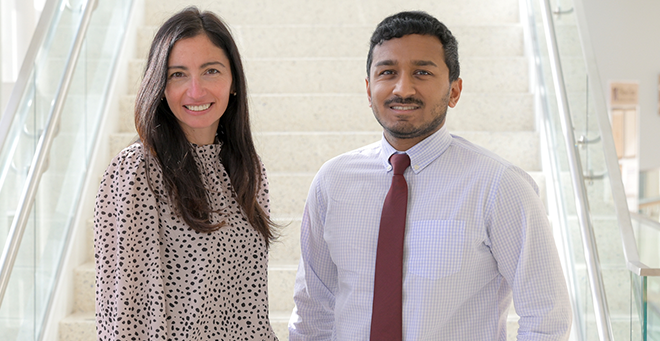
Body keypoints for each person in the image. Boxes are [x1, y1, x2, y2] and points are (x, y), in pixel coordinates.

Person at [289, 10, 572, 340]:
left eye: (422, 72)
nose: (402, 88)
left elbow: (546, 316)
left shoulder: (499, 186)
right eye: (387, 72)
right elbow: (312, 310)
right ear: (368, 90)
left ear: (454, 91)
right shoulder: (332, 182)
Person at [94, 7, 279, 340]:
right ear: (160, 85)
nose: (195, 91)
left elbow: (251, 309)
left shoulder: (248, 169)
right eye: (178, 74)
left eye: (210, 71)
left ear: (233, 80)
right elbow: (122, 315)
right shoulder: (137, 171)